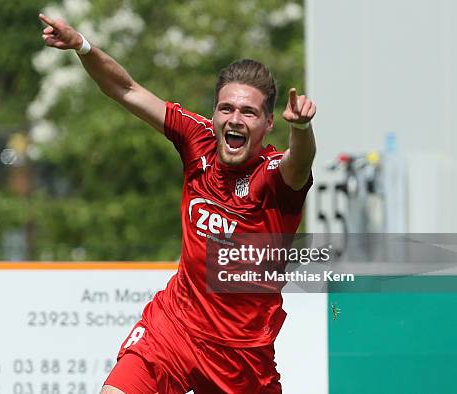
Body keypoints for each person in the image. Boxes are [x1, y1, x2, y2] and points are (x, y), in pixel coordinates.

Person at [39, 13, 316, 394]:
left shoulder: (274, 178)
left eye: (248, 112)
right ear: (215, 113)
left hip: (241, 358)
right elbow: (127, 90)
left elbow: (300, 162)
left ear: (268, 123)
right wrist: (81, 46)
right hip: (175, 329)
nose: (235, 120)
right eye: (226, 109)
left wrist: (301, 128)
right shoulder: (197, 139)